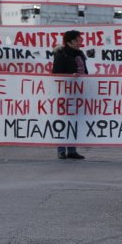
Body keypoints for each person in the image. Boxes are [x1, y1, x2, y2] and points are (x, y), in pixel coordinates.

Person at [52, 30, 88, 160]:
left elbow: (85, 71)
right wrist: (69, 77)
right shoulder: (61, 55)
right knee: (63, 121)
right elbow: (55, 74)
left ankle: (72, 150)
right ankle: (61, 150)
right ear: (70, 42)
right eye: (78, 39)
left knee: (74, 121)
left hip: (78, 92)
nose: (81, 42)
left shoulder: (80, 54)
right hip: (64, 93)